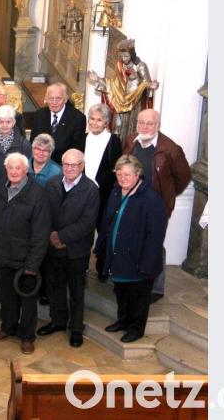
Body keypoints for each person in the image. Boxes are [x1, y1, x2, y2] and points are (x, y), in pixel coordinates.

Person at [0, 153, 49, 355]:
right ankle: (8, 327)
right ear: (6, 169)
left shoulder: (37, 193)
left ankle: (27, 336)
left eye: (19, 168)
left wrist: (33, 265)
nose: (15, 171)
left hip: (25, 258)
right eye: (11, 168)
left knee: (27, 300)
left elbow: (41, 232)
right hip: (1, 254)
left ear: (26, 170)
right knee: (6, 296)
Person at [94, 155, 167, 343]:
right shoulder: (116, 191)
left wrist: (146, 264)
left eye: (127, 174)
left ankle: (136, 329)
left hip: (138, 259)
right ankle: (123, 321)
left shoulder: (151, 199)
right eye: (119, 174)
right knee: (121, 292)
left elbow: (155, 236)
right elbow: (107, 220)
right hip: (118, 256)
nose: (122, 178)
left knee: (138, 298)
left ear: (137, 175)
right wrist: (101, 246)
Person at [122, 109, 191, 302]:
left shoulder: (171, 149)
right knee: (133, 240)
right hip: (131, 202)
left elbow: (183, 178)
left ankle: (156, 288)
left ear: (158, 125)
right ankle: (132, 279)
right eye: (141, 122)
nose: (144, 127)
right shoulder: (130, 141)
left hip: (156, 207)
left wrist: (164, 197)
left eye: (149, 123)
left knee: (154, 245)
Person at [37, 149, 99, 348]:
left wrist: (61, 236)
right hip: (52, 247)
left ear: (82, 166)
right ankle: (58, 321)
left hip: (76, 250)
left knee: (76, 291)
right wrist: (50, 235)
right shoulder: (53, 183)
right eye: (66, 165)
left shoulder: (91, 189)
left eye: (74, 165)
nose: (70, 169)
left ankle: (76, 329)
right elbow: (44, 212)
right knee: (54, 287)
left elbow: (87, 222)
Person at [88, 39, 159, 137]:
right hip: (121, 102)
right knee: (117, 126)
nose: (124, 59)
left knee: (131, 129)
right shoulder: (120, 65)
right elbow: (114, 83)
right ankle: (117, 149)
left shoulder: (140, 66)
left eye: (126, 56)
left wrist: (148, 85)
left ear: (132, 54)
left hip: (135, 104)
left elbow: (146, 83)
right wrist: (98, 79)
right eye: (121, 56)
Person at [83, 104, 122, 281]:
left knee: (104, 230)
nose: (95, 123)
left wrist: (96, 183)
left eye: (99, 119)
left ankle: (102, 268)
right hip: (82, 191)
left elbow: (114, 167)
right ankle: (82, 266)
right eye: (92, 119)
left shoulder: (113, 141)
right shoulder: (82, 138)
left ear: (106, 122)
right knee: (83, 231)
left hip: (103, 193)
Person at [28, 133, 62, 306]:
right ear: (32, 149)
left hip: (47, 224)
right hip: (25, 223)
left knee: (46, 261)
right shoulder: (23, 165)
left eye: (45, 151)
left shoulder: (57, 171)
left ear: (51, 153)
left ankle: (44, 293)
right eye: (37, 149)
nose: (41, 153)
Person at [29, 83, 86, 164]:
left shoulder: (78, 118)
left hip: (64, 168)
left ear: (66, 99)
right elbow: (33, 143)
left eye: (58, 98)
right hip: (41, 165)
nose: (54, 102)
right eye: (51, 98)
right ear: (46, 99)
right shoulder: (39, 115)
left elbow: (76, 150)